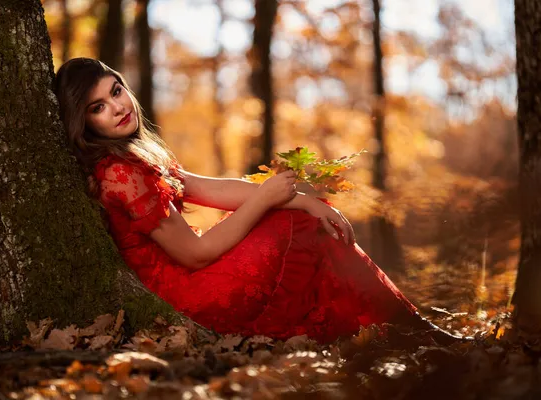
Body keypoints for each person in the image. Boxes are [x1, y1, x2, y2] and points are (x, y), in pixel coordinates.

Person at [53, 57, 460, 344]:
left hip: (193, 275)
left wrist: (304, 201)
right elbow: (194, 254)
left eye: (117, 91)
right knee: (294, 227)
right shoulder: (120, 174)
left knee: (303, 220)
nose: (119, 107)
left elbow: (215, 188)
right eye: (99, 107)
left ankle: (398, 324)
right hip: (184, 297)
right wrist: (268, 199)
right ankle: (405, 326)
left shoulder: (138, 155)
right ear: (83, 122)